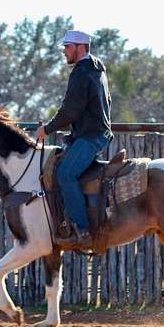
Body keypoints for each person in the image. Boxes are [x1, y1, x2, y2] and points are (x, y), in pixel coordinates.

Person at [35, 30, 113, 248]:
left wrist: (47, 128)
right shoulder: (97, 69)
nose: (64, 52)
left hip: (91, 136)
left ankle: (83, 230)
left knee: (65, 174)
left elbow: (70, 110)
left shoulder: (81, 72)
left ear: (80, 48)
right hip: (95, 133)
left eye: (67, 47)